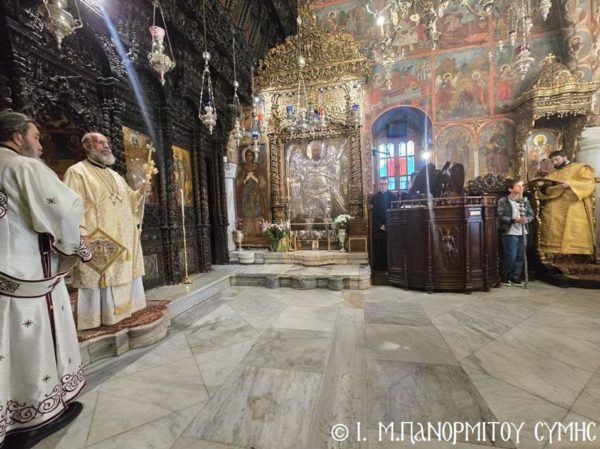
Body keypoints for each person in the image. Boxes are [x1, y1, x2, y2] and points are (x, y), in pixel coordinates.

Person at [0, 110, 92, 448]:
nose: (40, 145)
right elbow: (62, 211)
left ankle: (8, 418)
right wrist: (81, 247)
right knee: (30, 345)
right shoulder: (23, 167)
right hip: (27, 280)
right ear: (17, 137)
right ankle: (37, 415)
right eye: (36, 137)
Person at [63, 132, 151, 330]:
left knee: (122, 275)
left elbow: (129, 200)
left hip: (123, 236)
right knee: (98, 278)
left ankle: (125, 311)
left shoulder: (116, 176)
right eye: (100, 142)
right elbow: (71, 207)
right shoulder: (77, 172)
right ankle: (95, 318)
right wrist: (82, 234)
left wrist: (140, 192)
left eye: (106, 142)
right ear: (87, 146)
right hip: (98, 238)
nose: (106, 146)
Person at [537, 150, 597, 255]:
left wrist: (570, 183)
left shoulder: (580, 168)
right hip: (554, 204)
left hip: (573, 204)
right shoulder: (553, 173)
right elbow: (547, 189)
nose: (555, 163)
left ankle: (575, 252)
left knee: (573, 226)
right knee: (552, 225)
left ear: (565, 157)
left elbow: (589, 183)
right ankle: (552, 251)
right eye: (552, 161)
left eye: (557, 159)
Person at [497, 179, 534, 286]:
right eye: (518, 186)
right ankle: (504, 275)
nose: (521, 188)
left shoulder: (525, 201)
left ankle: (515, 276)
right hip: (510, 232)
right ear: (510, 189)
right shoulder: (503, 201)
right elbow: (500, 216)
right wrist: (514, 220)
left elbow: (531, 214)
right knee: (511, 256)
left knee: (520, 256)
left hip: (523, 231)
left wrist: (527, 219)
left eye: (522, 186)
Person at [370, 177, 397, 271]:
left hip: (390, 227)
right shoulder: (374, 198)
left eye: (385, 184)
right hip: (378, 228)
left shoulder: (393, 197)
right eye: (381, 184)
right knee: (379, 248)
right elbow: (372, 215)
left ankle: (390, 267)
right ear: (378, 185)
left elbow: (395, 212)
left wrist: (387, 224)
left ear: (388, 185)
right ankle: (379, 269)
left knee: (390, 248)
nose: (383, 186)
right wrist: (380, 225)